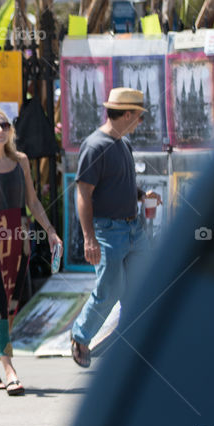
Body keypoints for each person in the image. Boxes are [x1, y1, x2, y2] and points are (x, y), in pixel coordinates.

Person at [0, 107, 62, 396]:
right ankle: (9, 368)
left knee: (12, 303)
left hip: (19, 235)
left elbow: (33, 201)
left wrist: (51, 231)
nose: (0, 130)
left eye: (4, 125)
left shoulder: (21, 161)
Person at [70, 88, 160, 368]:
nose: (140, 123)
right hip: (107, 231)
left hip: (133, 228)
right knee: (110, 289)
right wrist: (89, 238)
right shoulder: (95, 145)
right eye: (139, 117)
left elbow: (121, 184)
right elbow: (83, 193)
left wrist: (141, 196)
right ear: (129, 114)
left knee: (141, 289)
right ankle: (81, 336)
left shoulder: (123, 144)